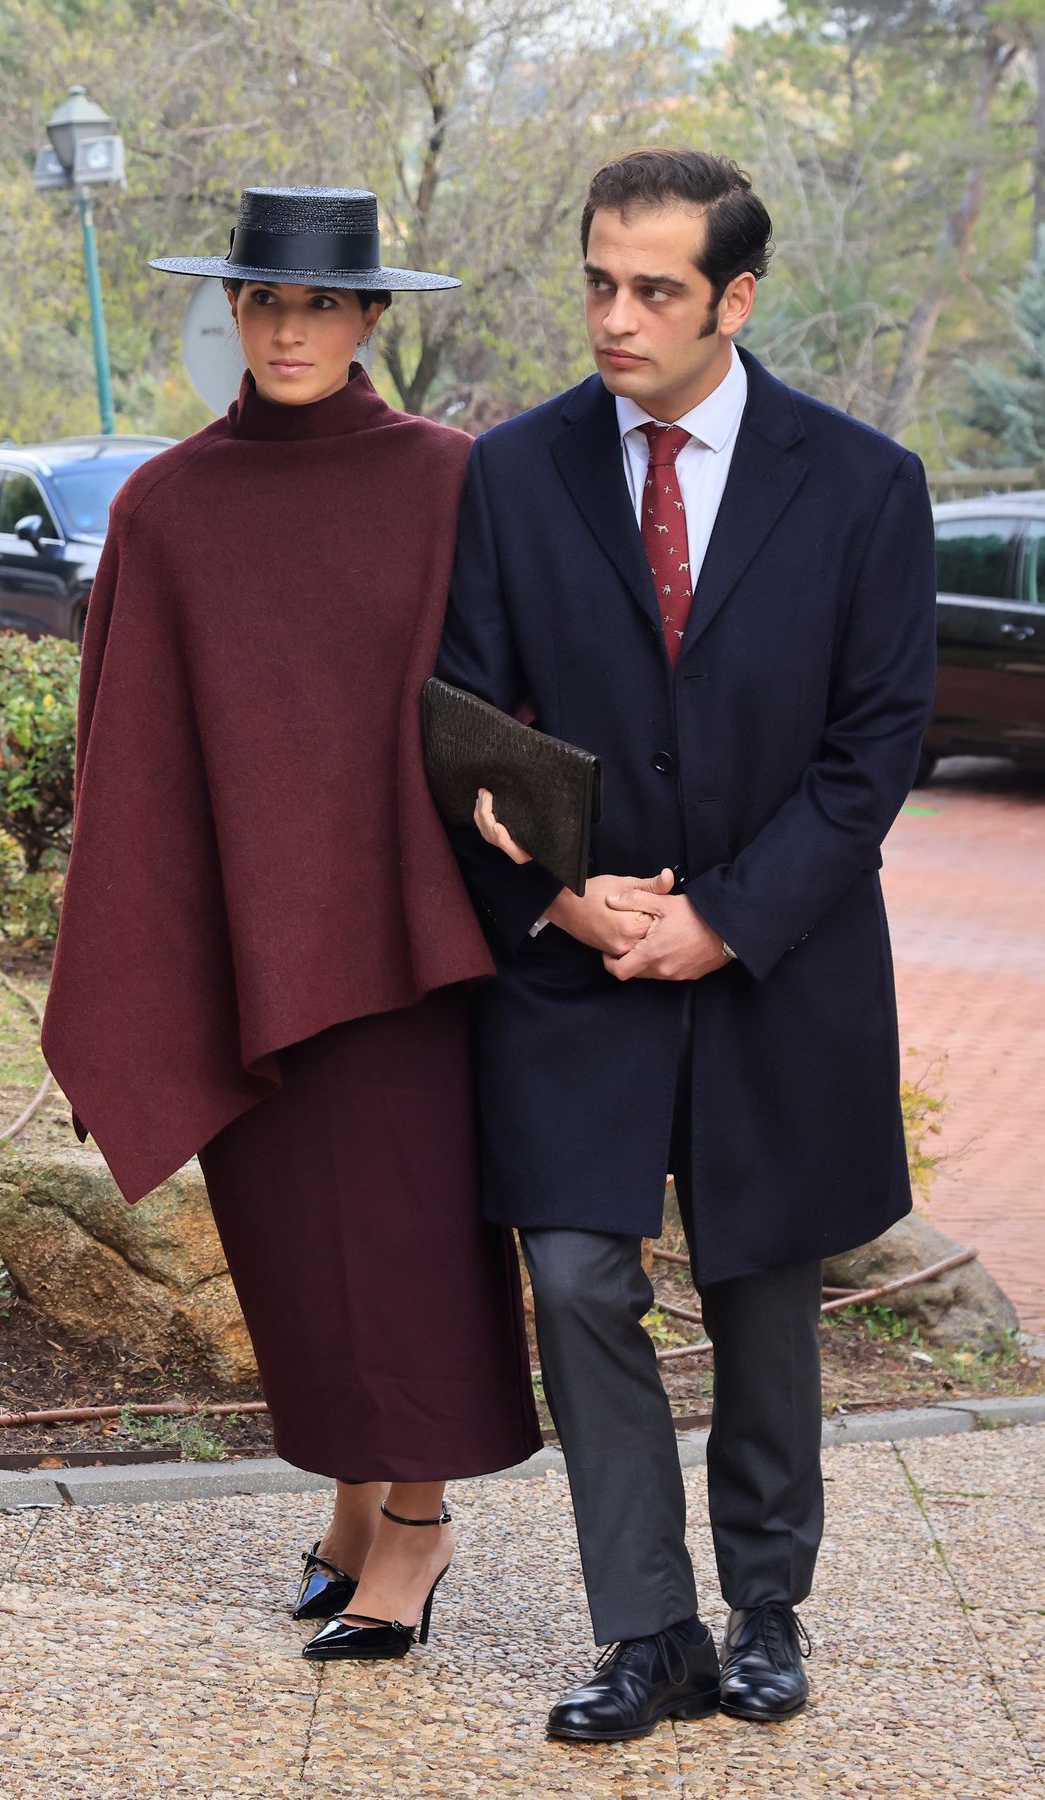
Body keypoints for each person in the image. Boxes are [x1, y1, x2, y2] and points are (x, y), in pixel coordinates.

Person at [436, 147, 936, 1740]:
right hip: (574, 967)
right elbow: (461, 721)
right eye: (597, 279)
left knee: (763, 1291)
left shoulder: (862, 482)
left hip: (779, 970)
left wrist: (727, 918)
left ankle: (768, 1607)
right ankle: (650, 1632)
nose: (614, 315)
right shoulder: (511, 474)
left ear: (736, 296)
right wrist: (564, 895)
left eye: (654, 288)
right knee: (579, 1278)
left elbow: (876, 750)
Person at [42, 185, 541, 1664]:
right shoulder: (165, 505)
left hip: (411, 934)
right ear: (233, 315)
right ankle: (350, 1501)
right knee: (291, 1246)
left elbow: (509, 696)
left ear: (372, 318)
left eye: (323, 303)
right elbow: (122, 746)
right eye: (265, 303)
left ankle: (418, 1529)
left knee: (407, 1243)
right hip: (244, 939)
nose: (291, 328)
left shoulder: (455, 481)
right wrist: (143, 955)